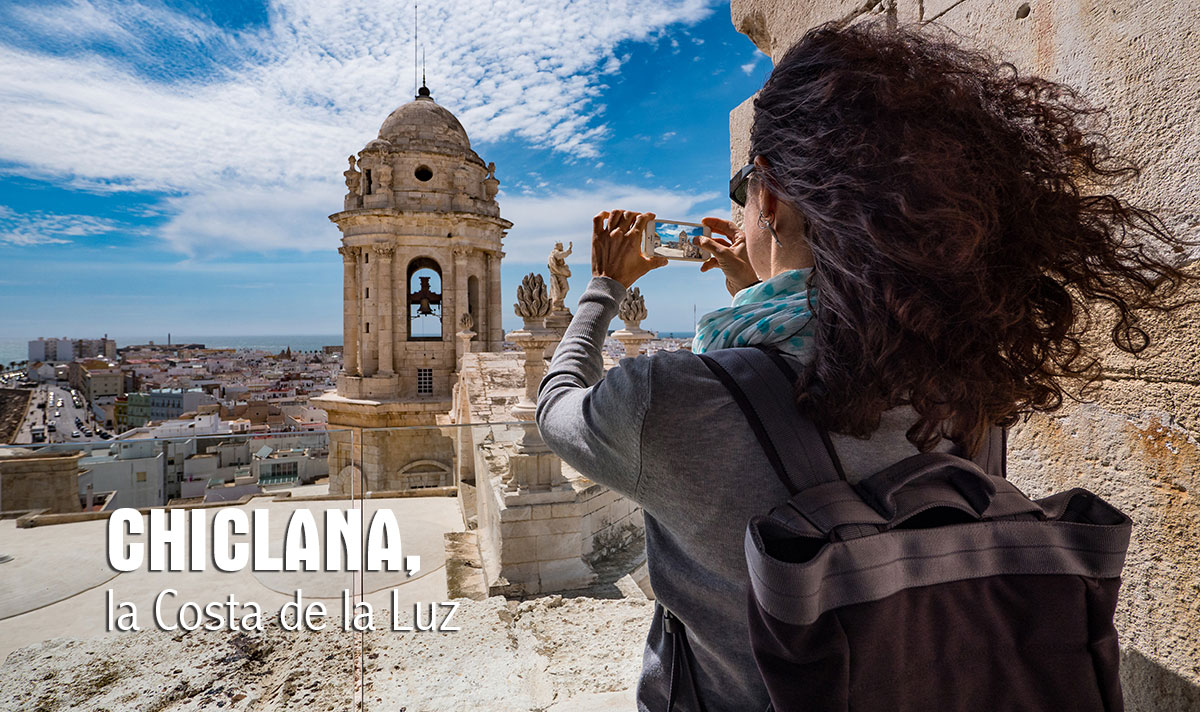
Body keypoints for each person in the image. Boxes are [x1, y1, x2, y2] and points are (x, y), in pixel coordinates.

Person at [535, 19, 1195, 712]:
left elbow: (558, 409)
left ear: (771, 195)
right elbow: (824, 356)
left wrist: (603, 286)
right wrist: (751, 290)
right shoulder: (967, 371)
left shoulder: (663, 401)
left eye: (744, 189)